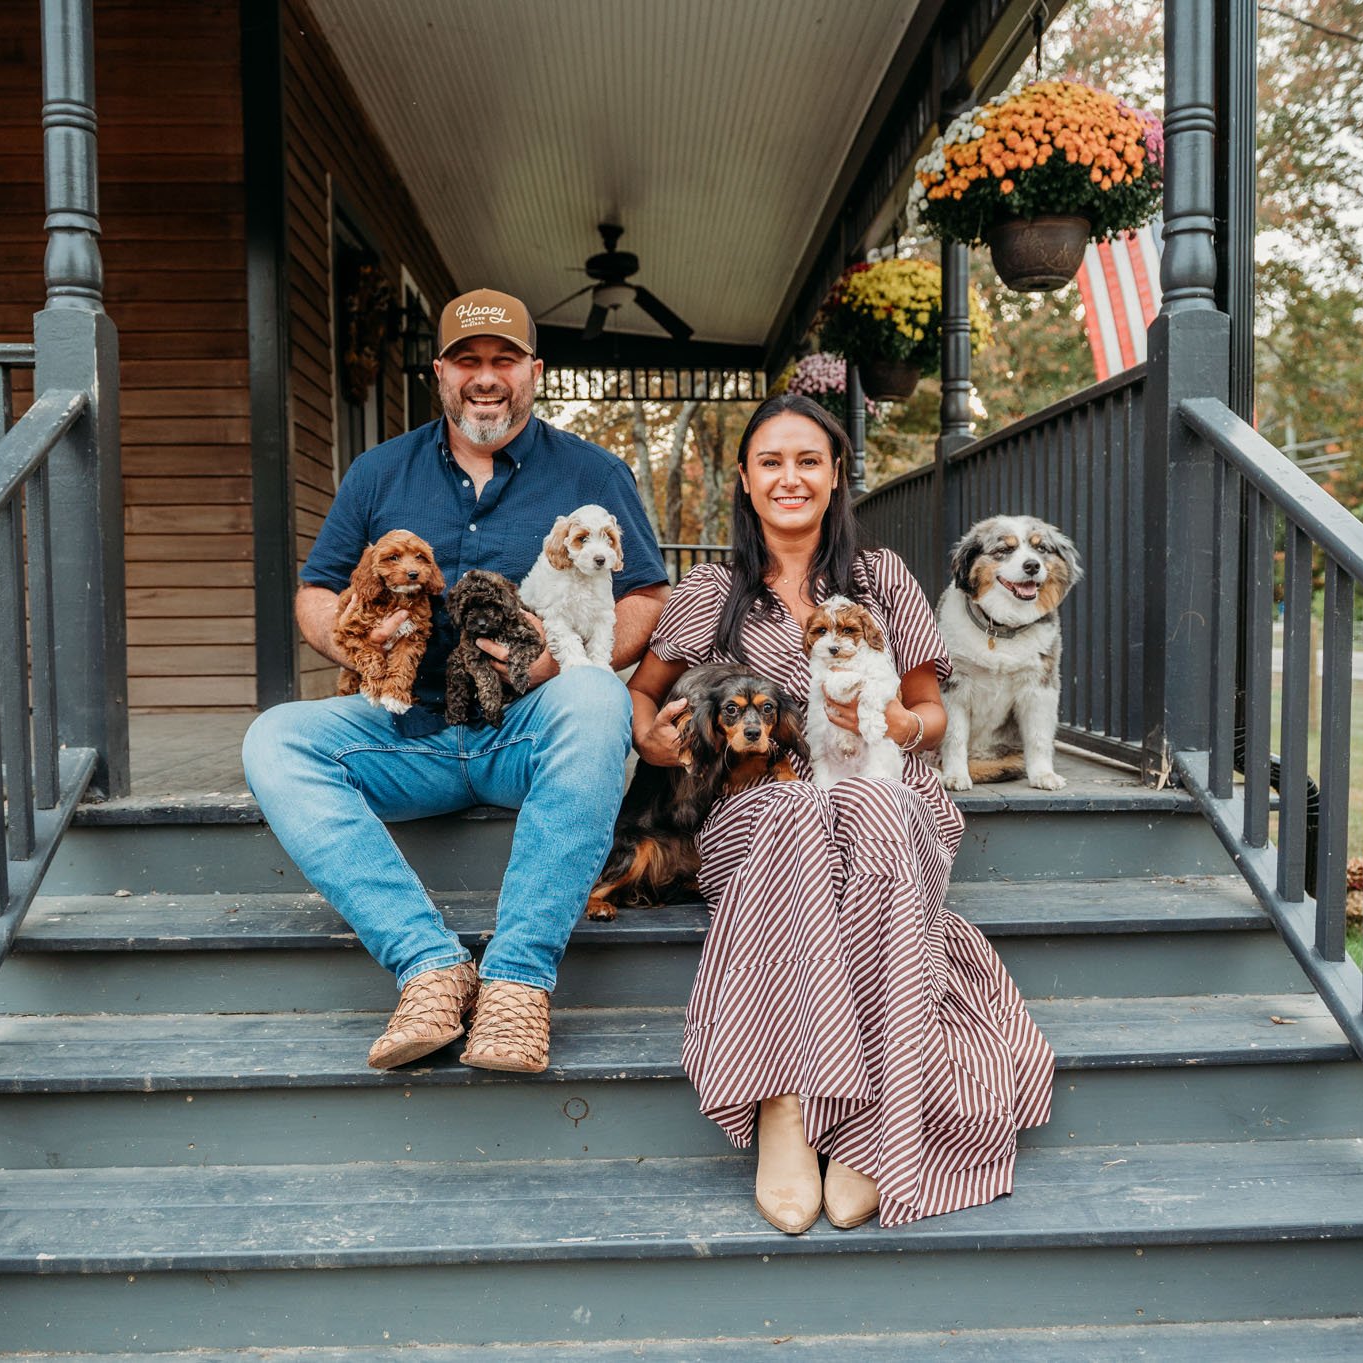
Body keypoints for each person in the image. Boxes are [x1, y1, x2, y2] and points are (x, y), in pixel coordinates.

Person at [624, 393, 1054, 1232]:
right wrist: (656, 741)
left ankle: (873, 1121)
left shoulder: (882, 576)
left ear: (835, 476)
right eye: (771, 461)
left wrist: (903, 724)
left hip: (885, 788)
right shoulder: (710, 591)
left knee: (883, 810)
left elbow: (931, 712)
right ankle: (784, 1101)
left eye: (808, 460)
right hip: (756, 805)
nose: (790, 476)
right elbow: (642, 699)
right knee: (790, 810)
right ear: (745, 481)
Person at [243, 288, 668, 1075]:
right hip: (405, 731)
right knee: (274, 737)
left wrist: (554, 662)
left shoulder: (591, 470)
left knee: (597, 695)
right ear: (439, 373)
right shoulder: (379, 472)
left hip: (528, 733)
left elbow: (646, 593)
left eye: (503, 359)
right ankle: (430, 964)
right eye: (468, 361)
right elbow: (316, 588)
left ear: (533, 370)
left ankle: (516, 980)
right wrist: (362, 647)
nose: (486, 377)